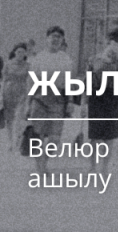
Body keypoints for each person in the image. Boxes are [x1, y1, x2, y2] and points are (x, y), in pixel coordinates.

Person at [25, 26, 74, 172]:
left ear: (62, 40)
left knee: (54, 139)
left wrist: (70, 101)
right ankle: (40, 166)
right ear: (47, 39)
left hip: (58, 100)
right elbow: (31, 82)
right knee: (38, 135)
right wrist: (28, 103)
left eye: (59, 36)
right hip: (39, 99)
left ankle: (44, 161)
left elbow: (69, 82)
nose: (55, 39)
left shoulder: (66, 59)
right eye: (53, 36)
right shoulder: (39, 58)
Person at [81, 27, 118, 173]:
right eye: (112, 42)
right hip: (96, 98)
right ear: (107, 42)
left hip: (113, 98)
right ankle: (93, 166)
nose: (114, 46)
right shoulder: (94, 60)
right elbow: (87, 82)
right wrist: (84, 103)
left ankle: (104, 167)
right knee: (95, 136)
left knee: (110, 136)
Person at [2, 43, 30, 150]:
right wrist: (1, 95)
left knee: (18, 118)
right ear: (14, 53)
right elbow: (4, 80)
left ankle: (17, 138)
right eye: (18, 52)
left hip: (22, 94)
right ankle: (10, 141)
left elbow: (31, 81)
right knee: (9, 119)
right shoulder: (8, 64)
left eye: (23, 52)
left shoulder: (28, 66)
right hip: (8, 93)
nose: (20, 54)